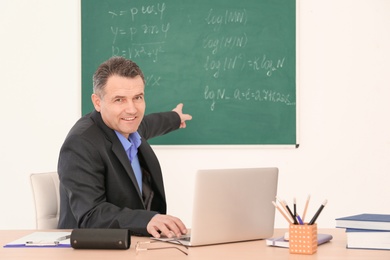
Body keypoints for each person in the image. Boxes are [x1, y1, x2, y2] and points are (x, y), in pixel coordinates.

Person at [57, 56, 192, 238]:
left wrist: (174, 118)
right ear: (98, 102)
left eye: (137, 97)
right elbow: (91, 214)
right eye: (119, 100)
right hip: (91, 248)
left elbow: (149, 124)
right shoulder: (80, 145)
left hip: (136, 244)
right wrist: (146, 220)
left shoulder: (127, 126)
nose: (132, 109)